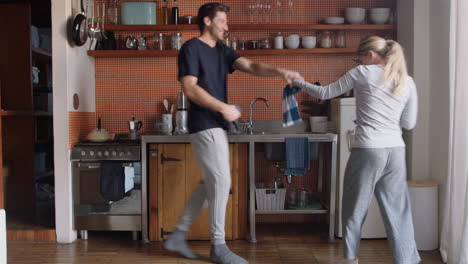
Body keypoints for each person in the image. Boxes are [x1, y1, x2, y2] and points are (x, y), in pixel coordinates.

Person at [163, 3, 302, 264]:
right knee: (221, 182)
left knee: (209, 183)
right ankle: (218, 246)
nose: (227, 27)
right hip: (204, 123)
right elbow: (190, 89)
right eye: (223, 21)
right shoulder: (191, 48)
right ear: (207, 21)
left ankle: (178, 235)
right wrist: (223, 107)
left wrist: (280, 72)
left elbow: (251, 65)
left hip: (216, 124)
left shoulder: (222, 51)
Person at [293, 36, 420, 264]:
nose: (357, 62)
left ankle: (350, 260)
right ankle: (407, 261)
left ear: (369, 55)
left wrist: (299, 81)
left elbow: (325, 93)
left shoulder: (363, 72)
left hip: (369, 149)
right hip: (396, 151)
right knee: (398, 212)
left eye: (358, 58)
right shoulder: (406, 81)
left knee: (354, 208)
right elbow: (409, 123)